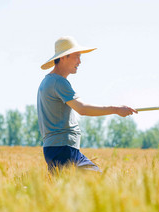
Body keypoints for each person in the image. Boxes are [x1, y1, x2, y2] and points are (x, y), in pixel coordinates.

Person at [37, 36, 137, 173]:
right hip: (63, 149)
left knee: (69, 192)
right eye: (77, 56)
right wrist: (116, 109)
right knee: (101, 183)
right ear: (64, 57)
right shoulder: (58, 82)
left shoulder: (48, 81)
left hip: (57, 149)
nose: (80, 61)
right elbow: (82, 109)